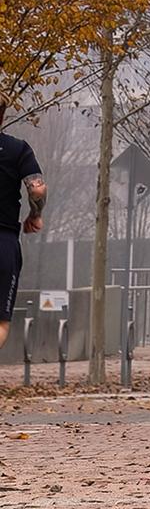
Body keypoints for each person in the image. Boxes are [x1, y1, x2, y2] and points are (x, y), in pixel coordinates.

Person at [0, 125, 49, 350]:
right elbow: (37, 190)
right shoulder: (17, 149)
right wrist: (35, 214)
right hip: (4, 242)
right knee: (1, 323)